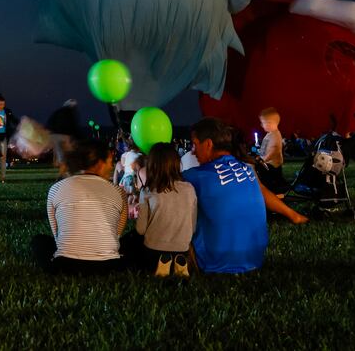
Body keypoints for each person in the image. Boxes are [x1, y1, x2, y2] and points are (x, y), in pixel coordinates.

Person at [182, 118, 268, 274]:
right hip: (255, 258)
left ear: (208, 144)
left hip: (215, 262)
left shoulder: (195, 176)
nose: (193, 151)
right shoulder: (248, 170)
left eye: (195, 144)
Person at [30, 139, 126, 272]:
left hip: (65, 265)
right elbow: (116, 234)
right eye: (109, 162)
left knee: (39, 241)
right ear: (99, 163)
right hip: (109, 266)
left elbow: (57, 235)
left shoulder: (55, 189)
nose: (111, 167)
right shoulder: (119, 191)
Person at [123, 143, 197, 276]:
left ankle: (162, 265)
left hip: (153, 250)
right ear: (176, 163)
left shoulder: (147, 191)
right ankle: (179, 265)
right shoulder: (190, 189)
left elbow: (140, 230)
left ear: (152, 165)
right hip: (182, 249)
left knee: (128, 242)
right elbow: (193, 226)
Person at [255, 108, 287, 194]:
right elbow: (265, 147)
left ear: (270, 123)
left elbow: (274, 149)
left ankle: (273, 191)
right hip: (268, 163)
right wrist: (260, 154)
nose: (262, 125)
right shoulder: (270, 134)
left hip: (272, 165)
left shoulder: (275, 135)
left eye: (263, 123)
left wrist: (263, 159)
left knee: (271, 181)